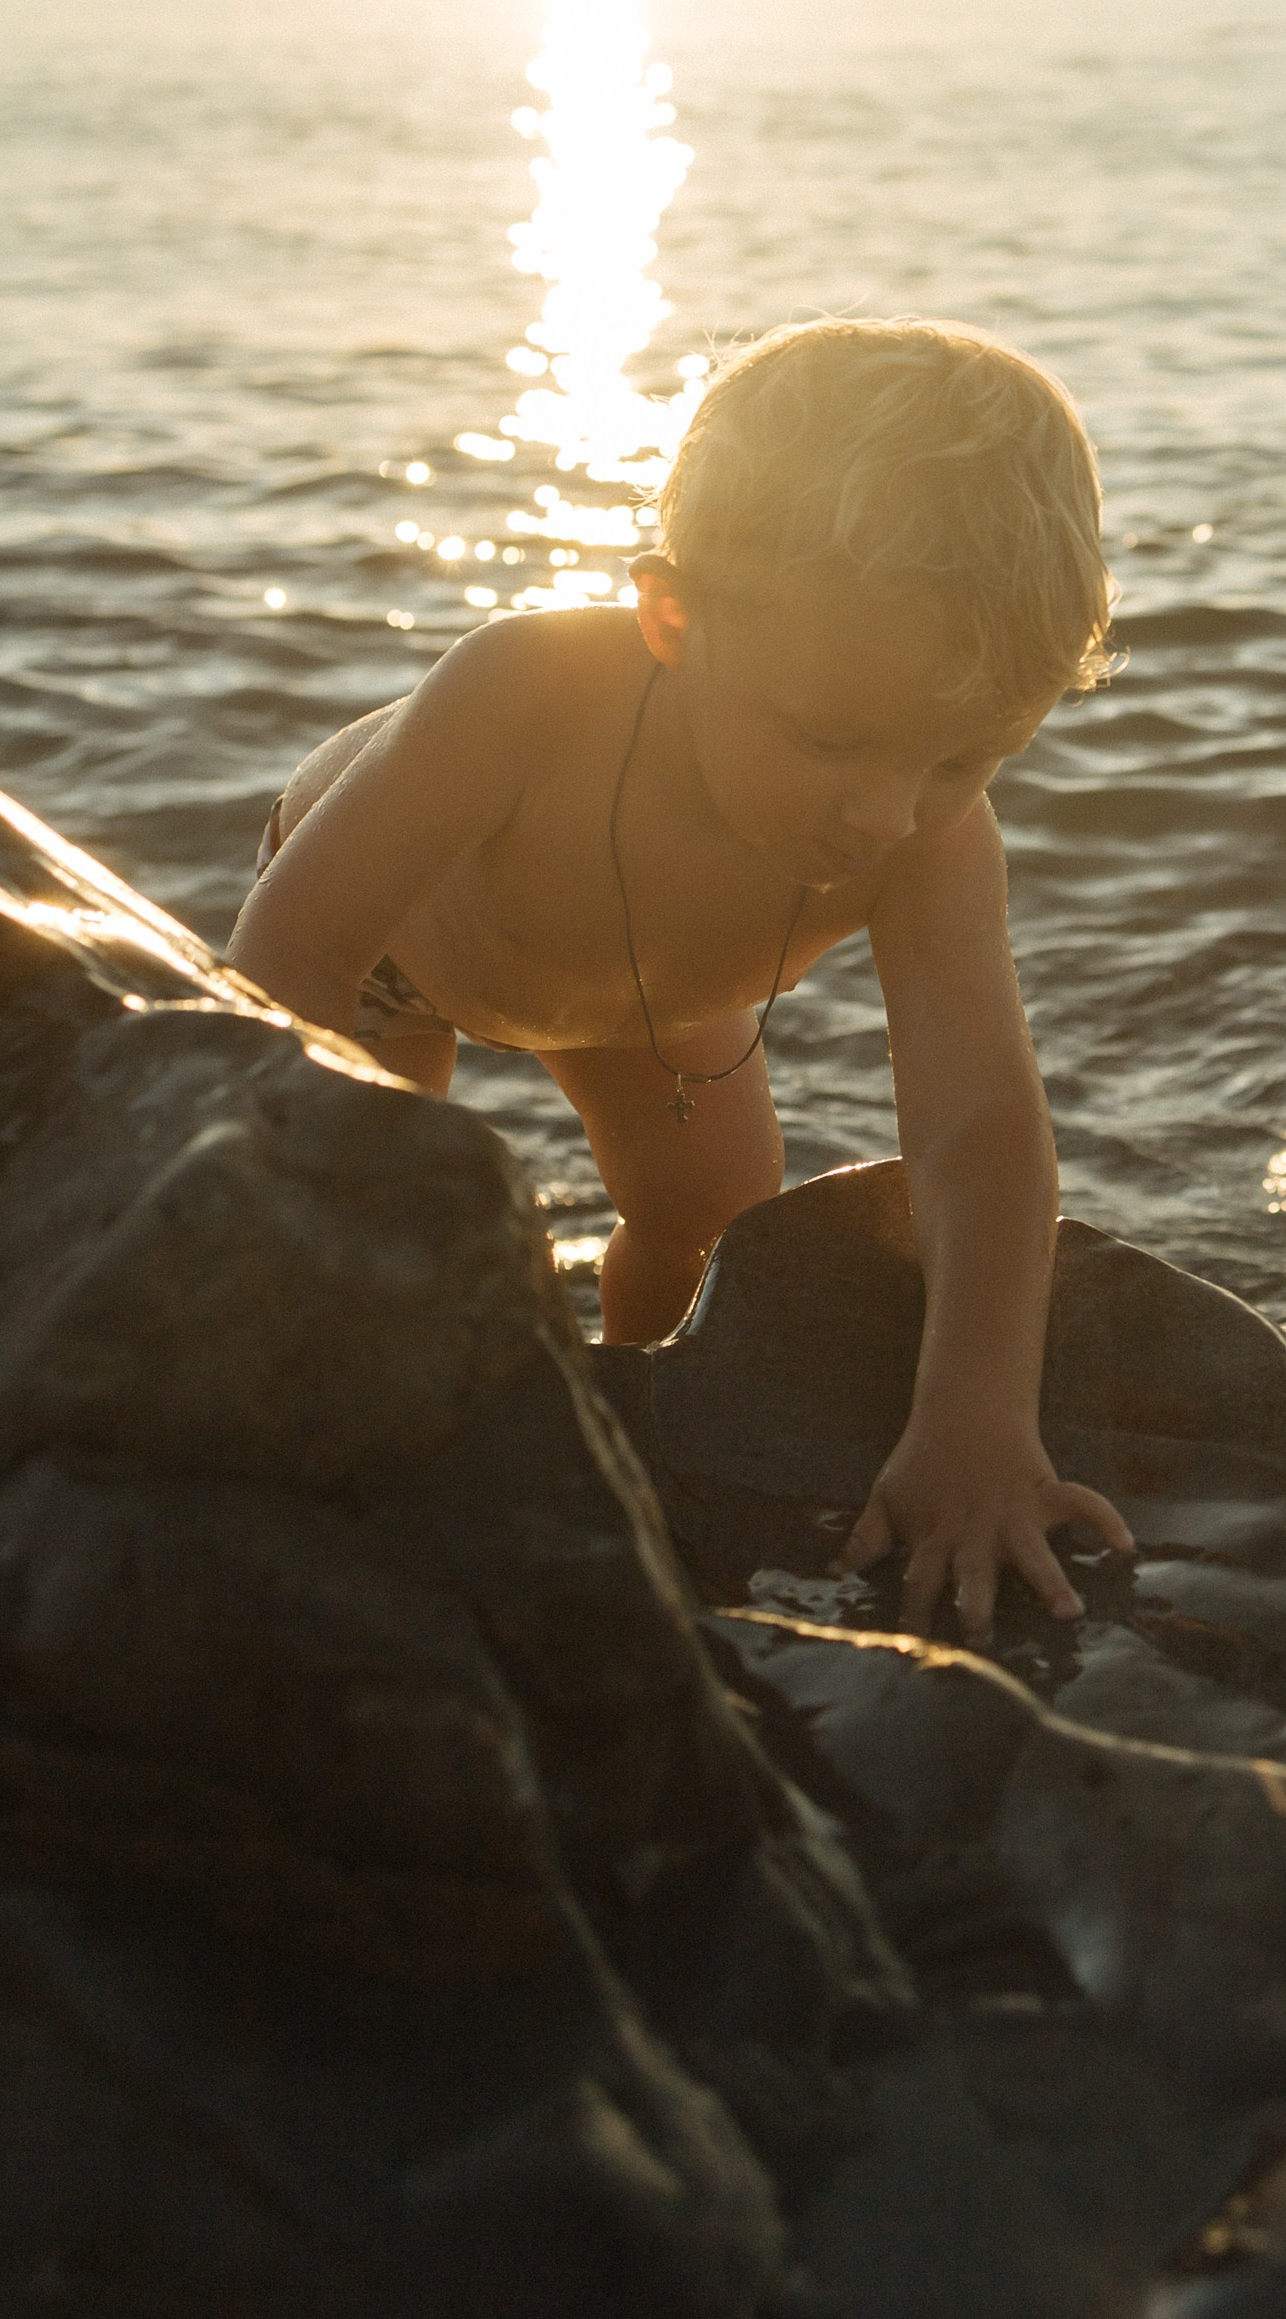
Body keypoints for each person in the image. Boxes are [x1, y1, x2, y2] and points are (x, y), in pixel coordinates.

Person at [229, 314, 1134, 1641]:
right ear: (673, 617)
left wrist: (978, 1419)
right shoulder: (523, 692)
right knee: (393, 1232)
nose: (888, 812)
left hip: (653, 991)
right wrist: (294, 1209)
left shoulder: (928, 836)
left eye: (963, 756)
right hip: (395, 964)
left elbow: (977, 1129)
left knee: (715, 1219)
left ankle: (638, 1417)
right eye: (834, 740)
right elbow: (290, 950)